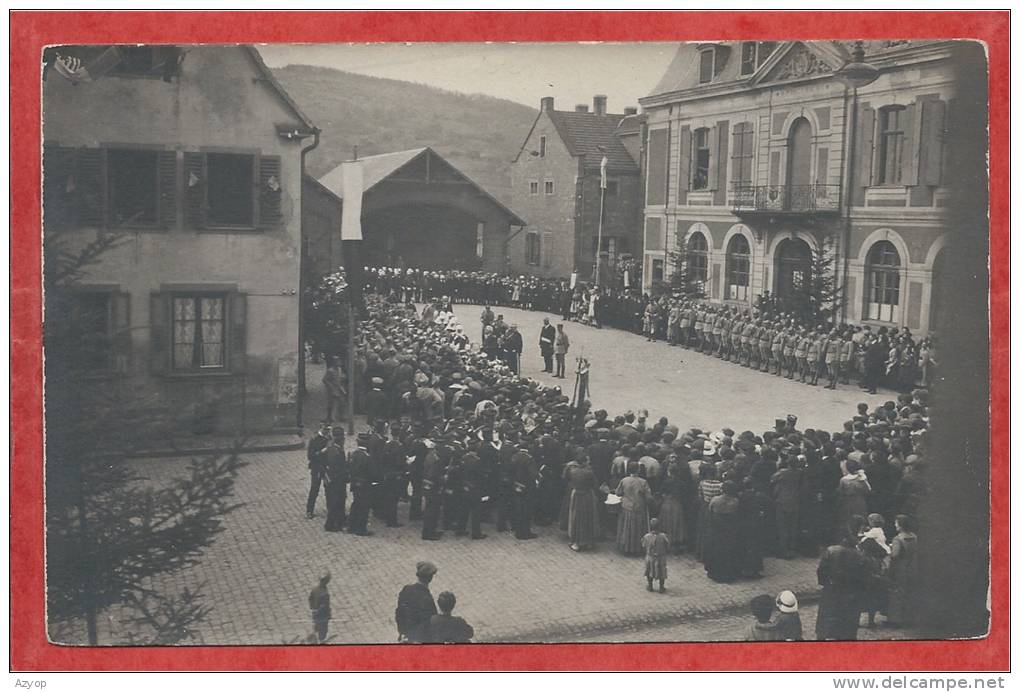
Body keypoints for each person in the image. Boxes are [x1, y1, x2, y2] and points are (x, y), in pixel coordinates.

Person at [816, 527, 872, 640]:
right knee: (848, 621)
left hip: (832, 589)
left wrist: (825, 583)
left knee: (827, 616)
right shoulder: (860, 556)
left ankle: (822, 640)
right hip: (851, 592)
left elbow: (821, 570)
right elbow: (864, 576)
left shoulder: (831, 551)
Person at [703, 480, 742, 583]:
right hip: (729, 531)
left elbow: (709, 513)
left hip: (716, 530)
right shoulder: (735, 502)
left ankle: (715, 573)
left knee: (716, 551)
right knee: (728, 551)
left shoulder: (715, 500)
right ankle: (728, 574)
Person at [885, 514, 919, 626]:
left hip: (900, 568)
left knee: (897, 592)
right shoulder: (914, 536)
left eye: (896, 523)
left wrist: (889, 550)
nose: (895, 525)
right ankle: (909, 618)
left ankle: (896, 620)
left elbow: (895, 555)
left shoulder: (897, 538)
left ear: (900, 525)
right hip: (912, 567)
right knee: (909, 592)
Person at [395, 561, 439, 643]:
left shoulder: (406, 589)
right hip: (418, 640)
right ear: (430, 578)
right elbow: (430, 623)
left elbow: (399, 613)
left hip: (405, 636)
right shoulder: (427, 598)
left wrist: (402, 632)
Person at [615, 461, 651, 555]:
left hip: (626, 507)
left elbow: (618, 492)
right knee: (638, 528)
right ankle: (637, 548)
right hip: (639, 507)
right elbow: (648, 497)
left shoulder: (624, 480)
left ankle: (626, 547)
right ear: (638, 470)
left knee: (627, 528)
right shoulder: (643, 482)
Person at [565, 455, 600, 551]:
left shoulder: (573, 471)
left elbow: (567, 479)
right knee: (588, 517)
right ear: (584, 462)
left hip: (576, 494)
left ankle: (576, 542)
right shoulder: (589, 472)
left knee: (575, 517)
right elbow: (594, 484)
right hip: (587, 495)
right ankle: (588, 541)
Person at [322, 428, 349, 532]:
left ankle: (340, 519)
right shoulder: (336, 451)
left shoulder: (333, 448)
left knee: (340, 500)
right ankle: (330, 524)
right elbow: (338, 468)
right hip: (335, 481)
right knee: (335, 502)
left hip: (334, 480)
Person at [305, 422, 331, 519]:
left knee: (328, 488)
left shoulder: (329, 438)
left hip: (326, 467)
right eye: (326, 429)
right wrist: (321, 452)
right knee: (314, 489)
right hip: (317, 468)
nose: (328, 432)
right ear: (321, 428)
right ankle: (309, 510)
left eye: (328, 430)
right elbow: (310, 456)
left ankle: (330, 508)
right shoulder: (314, 440)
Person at [642, 518, 670, 593]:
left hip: (650, 557)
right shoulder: (663, 536)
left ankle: (650, 586)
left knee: (649, 571)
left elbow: (643, 545)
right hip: (661, 557)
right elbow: (667, 545)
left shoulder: (646, 536)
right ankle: (661, 587)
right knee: (662, 572)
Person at [308, 571, 332, 644]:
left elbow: (310, 599)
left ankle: (315, 635)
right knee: (323, 630)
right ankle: (321, 641)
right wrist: (329, 615)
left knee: (316, 625)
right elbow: (325, 606)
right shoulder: (325, 594)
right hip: (322, 615)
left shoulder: (314, 588)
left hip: (315, 613)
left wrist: (313, 609)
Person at [322, 358, 346, 423]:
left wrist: (343, 378)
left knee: (342, 402)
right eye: (338, 361)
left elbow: (340, 377)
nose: (340, 363)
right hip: (332, 390)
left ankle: (341, 416)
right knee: (331, 403)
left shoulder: (339, 369)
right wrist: (331, 387)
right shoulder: (330, 371)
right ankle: (329, 417)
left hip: (339, 388)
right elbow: (325, 380)